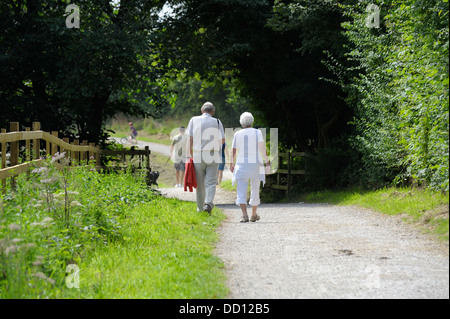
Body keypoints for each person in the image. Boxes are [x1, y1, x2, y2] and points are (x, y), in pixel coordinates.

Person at [186, 102, 225, 214]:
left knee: (199, 183)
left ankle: (200, 208)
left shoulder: (193, 120)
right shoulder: (217, 121)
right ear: (212, 112)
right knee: (212, 181)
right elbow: (222, 140)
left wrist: (189, 155)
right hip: (212, 153)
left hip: (198, 154)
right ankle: (208, 203)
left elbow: (190, 139)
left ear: (202, 111)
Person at [230, 112, 270, 223]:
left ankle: (244, 215)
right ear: (252, 121)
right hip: (256, 164)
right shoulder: (257, 133)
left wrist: (231, 163)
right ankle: (253, 214)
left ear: (241, 122)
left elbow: (233, 150)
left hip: (242, 164)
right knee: (255, 188)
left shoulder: (237, 134)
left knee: (241, 189)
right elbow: (262, 147)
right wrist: (267, 161)